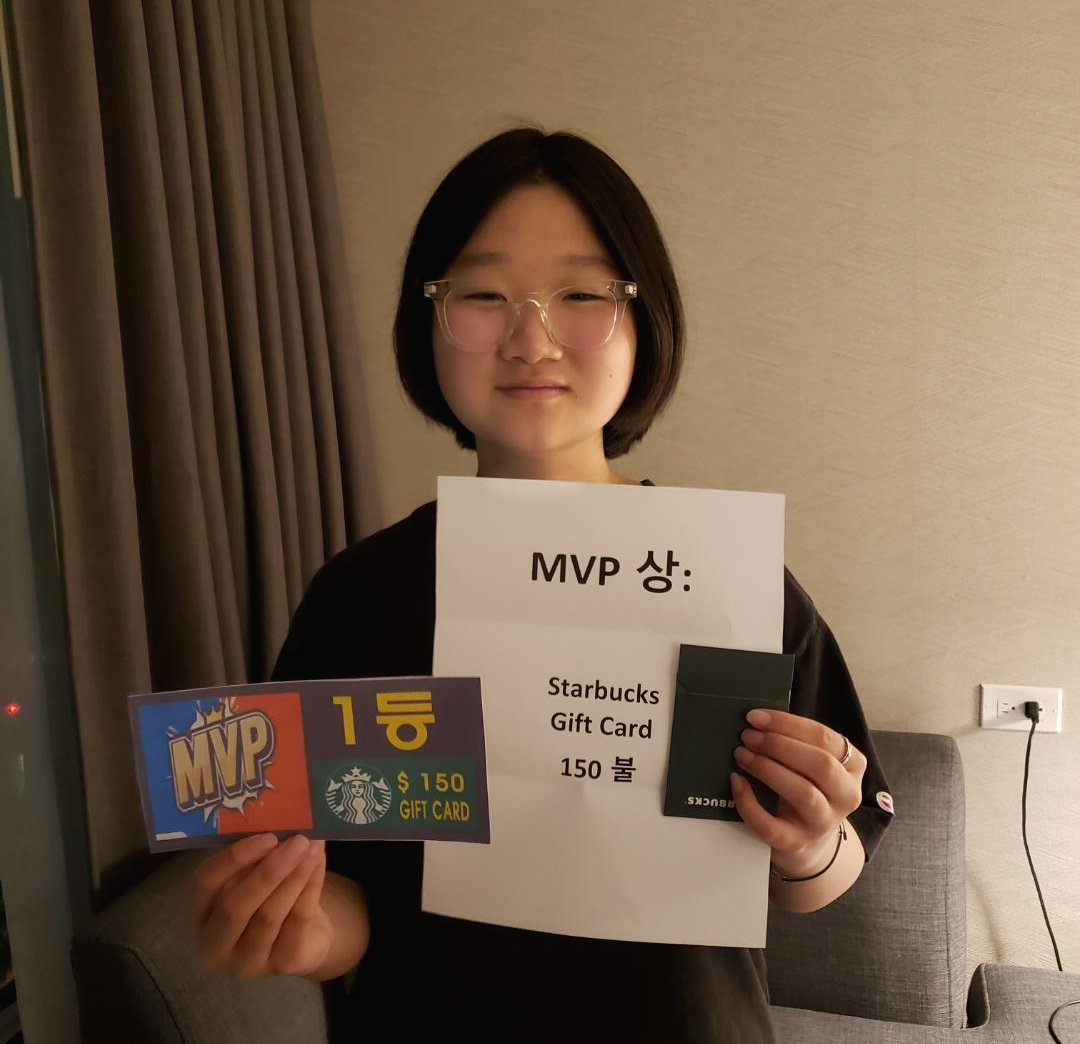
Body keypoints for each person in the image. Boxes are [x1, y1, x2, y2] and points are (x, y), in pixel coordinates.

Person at [191, 127, 894, 1043]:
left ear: (644, 321)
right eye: (483, 295)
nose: (532, 339)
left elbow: (829, 869)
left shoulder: (728, 580)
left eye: (582, 295)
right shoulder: (361, 597)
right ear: (428, 320)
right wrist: (302, 928)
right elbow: (354, 890)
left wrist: (810, 842)